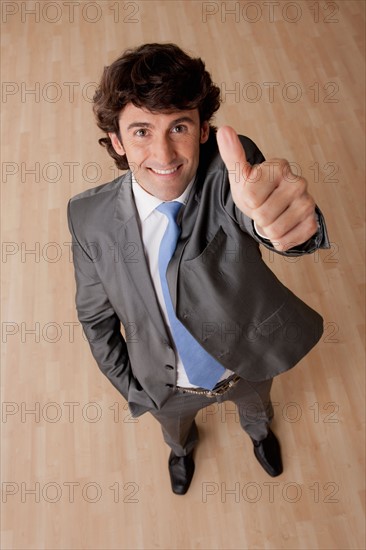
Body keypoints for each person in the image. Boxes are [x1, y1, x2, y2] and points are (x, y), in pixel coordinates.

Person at [67, 43, 329, 495]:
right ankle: (182, 450)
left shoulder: (230, 174)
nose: (164, 154)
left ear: (204, 130)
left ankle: (260, 436)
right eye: (142, 131)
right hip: (162, 382)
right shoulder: (88, 218)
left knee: (257, 410)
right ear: (116, 140)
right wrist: (134, 388)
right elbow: (96, 318)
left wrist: (289, 228)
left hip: (246, 361)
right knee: (175, 432)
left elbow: (259, 208)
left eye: (179, 127)